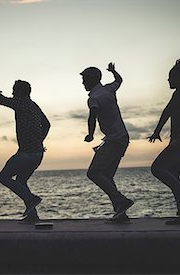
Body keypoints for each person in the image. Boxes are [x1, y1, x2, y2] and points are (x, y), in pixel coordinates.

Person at [0, 80, 50, 223]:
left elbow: (1, 100)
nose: (12, 93)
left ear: (20, 92)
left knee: (3, 177)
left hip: (26, 153)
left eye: (14, 90)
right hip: (38, 154)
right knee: (21, 181)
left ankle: (31, 199)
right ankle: (32, 215)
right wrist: (40, 140)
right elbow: (47, 124)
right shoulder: (34, 106)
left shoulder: (21, 102)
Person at [81, 62, 134, 223]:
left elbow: (92, 116)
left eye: (84, 79)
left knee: (94, 173)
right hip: (122, 138)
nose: (82, 83)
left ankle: (121, 200)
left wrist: (90, 134)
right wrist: (113, 71)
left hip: (114, 140)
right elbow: (119, 80)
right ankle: (120, 214)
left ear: (91, 80)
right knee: (107, 176)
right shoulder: (108, 89)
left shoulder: (94, 98)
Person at [148, 59, 180, 225]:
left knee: (157, 168)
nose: (168, 80)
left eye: (171, 77)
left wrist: (156, 131)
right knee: (174, 175)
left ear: (179, 78)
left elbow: (167, 111)